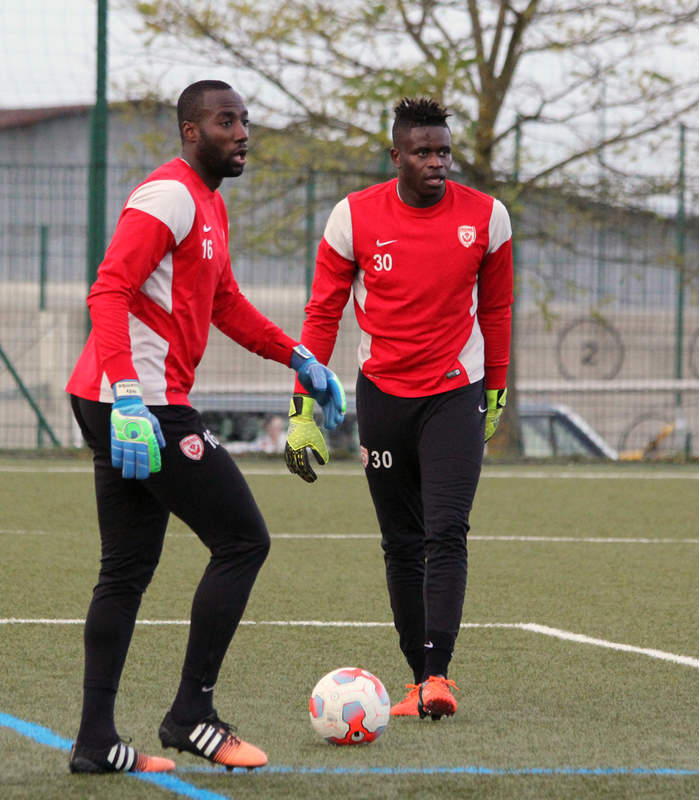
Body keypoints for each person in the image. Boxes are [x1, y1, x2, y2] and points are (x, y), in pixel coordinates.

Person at [65, 79, 346, 775]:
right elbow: (109, 288)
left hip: (120, 398)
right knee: (243, 539)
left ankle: (96, 742)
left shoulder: (209, 205)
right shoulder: (169, 195)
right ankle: (191, 714)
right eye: (227, 121)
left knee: (125, 570)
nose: (243, 132)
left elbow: (225, 303)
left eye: (246, 120)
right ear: (191, 131)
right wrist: (130, 397)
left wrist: (299, 357)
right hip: (140, 402)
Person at [284, 97, 513, 721]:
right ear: (397, 156)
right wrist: (302, 407)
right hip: (382, 396)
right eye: (423, 152)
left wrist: (495, 387)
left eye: (443, 151)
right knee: (400, 543)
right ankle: (416, 679)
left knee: (448, 530)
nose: (436, 162)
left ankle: (438, 675)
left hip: (454, 393)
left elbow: (496, 310)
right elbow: (321, 314)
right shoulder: (352, 218)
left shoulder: (488, 217)